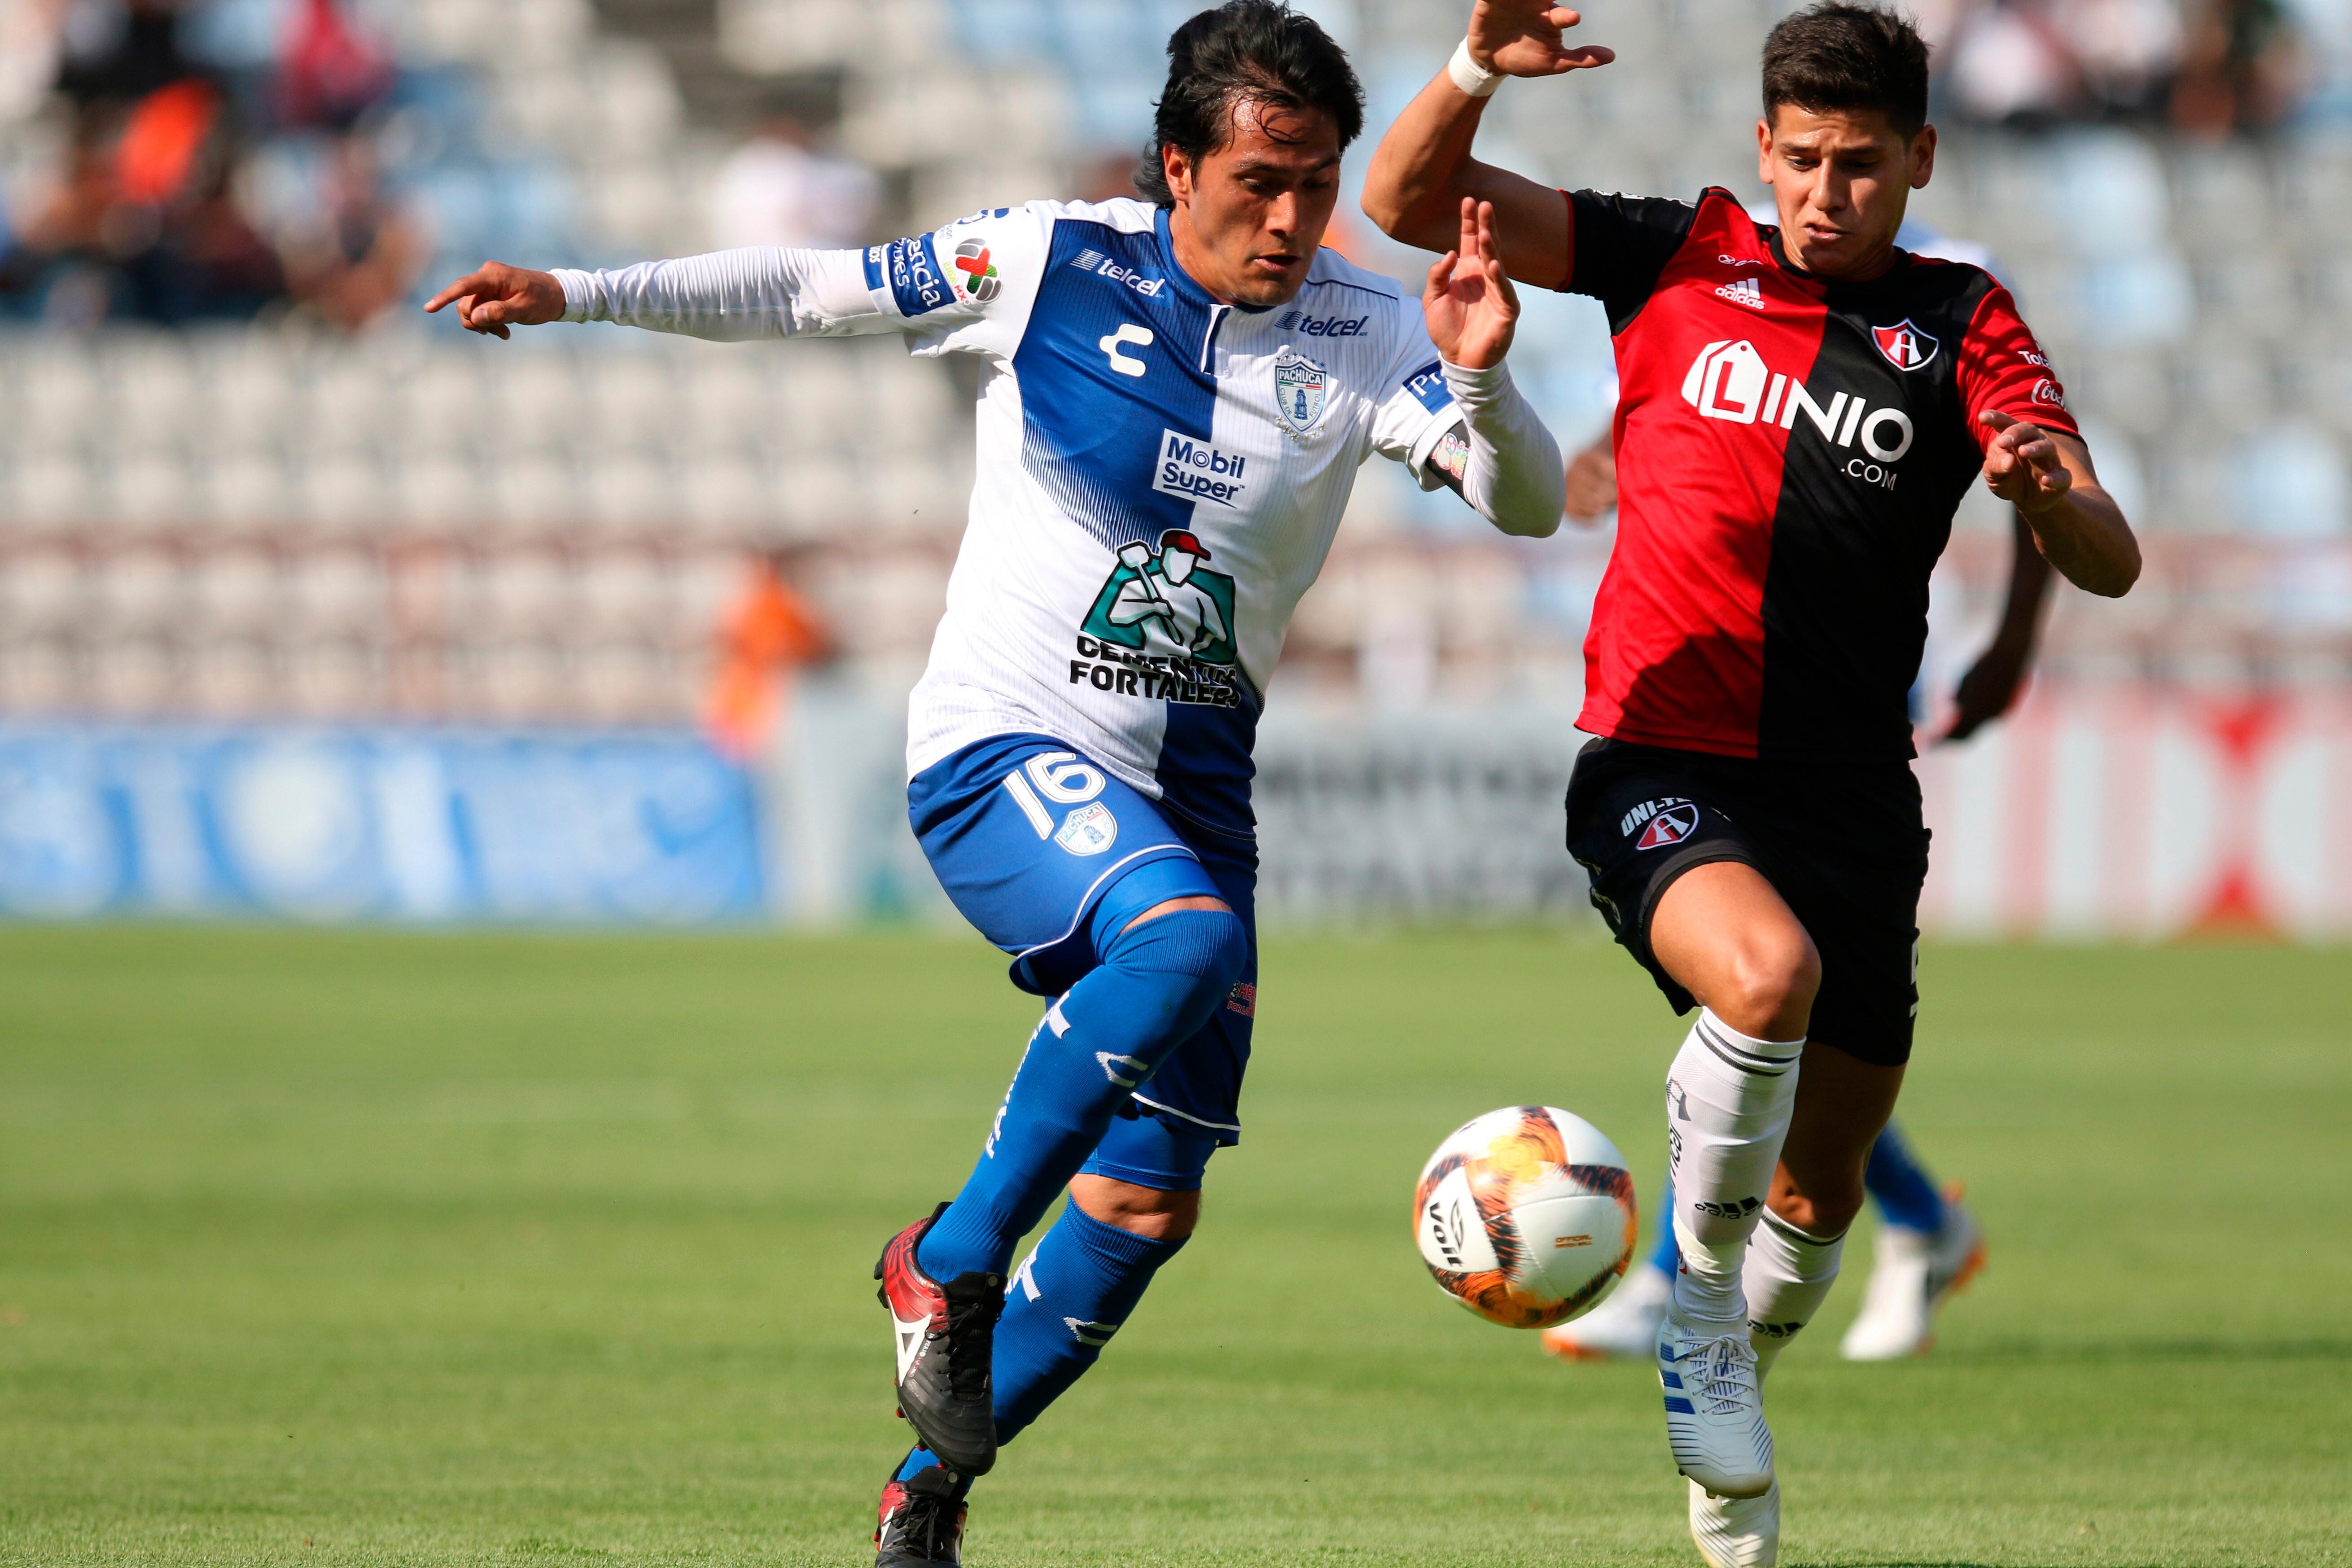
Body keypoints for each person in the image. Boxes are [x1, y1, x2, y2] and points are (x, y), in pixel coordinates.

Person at [424, 6, 1566, 1565]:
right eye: (1261, 182)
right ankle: (943, 1263)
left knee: (1144, 1211)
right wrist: (583, 290)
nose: (1295, 218)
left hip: (1193, 807)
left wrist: (1485, 383)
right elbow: (815, 291)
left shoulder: (1365, 331)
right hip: (999, 753)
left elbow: (1526, 505)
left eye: (1318, 184)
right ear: (1179, 168)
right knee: (1180, 945)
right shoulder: (1050, 264)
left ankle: (925, 1500)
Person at [1362, 4, 2138, 1564]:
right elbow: (1394, 206)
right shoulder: (1670, 255)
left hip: (1852, 795)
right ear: (1759, 150)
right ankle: (1697, 1323)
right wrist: (1466, 76)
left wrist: (2053, 500)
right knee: (1763, 980)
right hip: (1661, 758)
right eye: (1800, 161)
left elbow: (2108, 561)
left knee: (1822, 1207)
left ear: (1919, 158)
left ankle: (1731, 1414)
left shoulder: (1963, 323)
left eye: (1861, 164)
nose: (1826, 193)